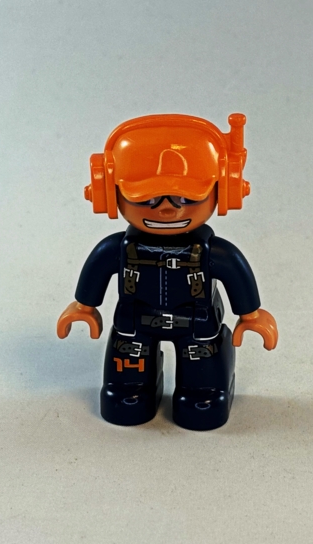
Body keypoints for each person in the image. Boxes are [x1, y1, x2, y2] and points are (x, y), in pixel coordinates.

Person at [57, 113, 277, 430]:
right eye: (146, 199)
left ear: (225, 190)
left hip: (196, 327)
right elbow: (98, 268)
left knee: (202, 383)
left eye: (185, 198)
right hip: (135, 324)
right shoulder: (119, 249)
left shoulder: (213, 253)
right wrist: (84, 307)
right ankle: (131, 390)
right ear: (108, 192)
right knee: (125, 382)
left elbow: (235, 273)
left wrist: (251, 315)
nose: (167, 209)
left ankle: (204, 392)